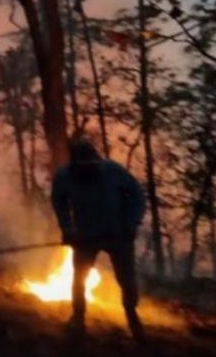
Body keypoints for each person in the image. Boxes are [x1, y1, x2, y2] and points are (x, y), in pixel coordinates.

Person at [51, 138, 147, 341]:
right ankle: (78, 318)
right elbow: (59, 201)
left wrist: (131, 223)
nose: (89, 169)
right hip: (86, 235)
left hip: (118, 234)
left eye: (92, 165)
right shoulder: (65, 176)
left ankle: (132, 317)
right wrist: (67, 228)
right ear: (75, 165)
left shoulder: (112, 171)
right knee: (79, 278)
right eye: (84, 166)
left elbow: (137, 195)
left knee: (126, 279)